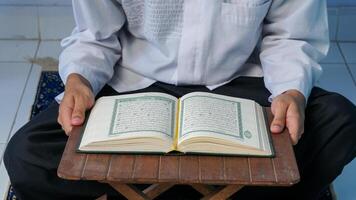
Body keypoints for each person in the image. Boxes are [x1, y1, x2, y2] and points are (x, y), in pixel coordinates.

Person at [4, 0, 356, 199]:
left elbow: (289, 37)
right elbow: (95, 37)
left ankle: (145, 192)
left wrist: (291, 91)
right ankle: (221, 191)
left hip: (238, 83)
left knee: (338, 122)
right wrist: (80, 78)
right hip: (137, 84)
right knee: (27, 154)